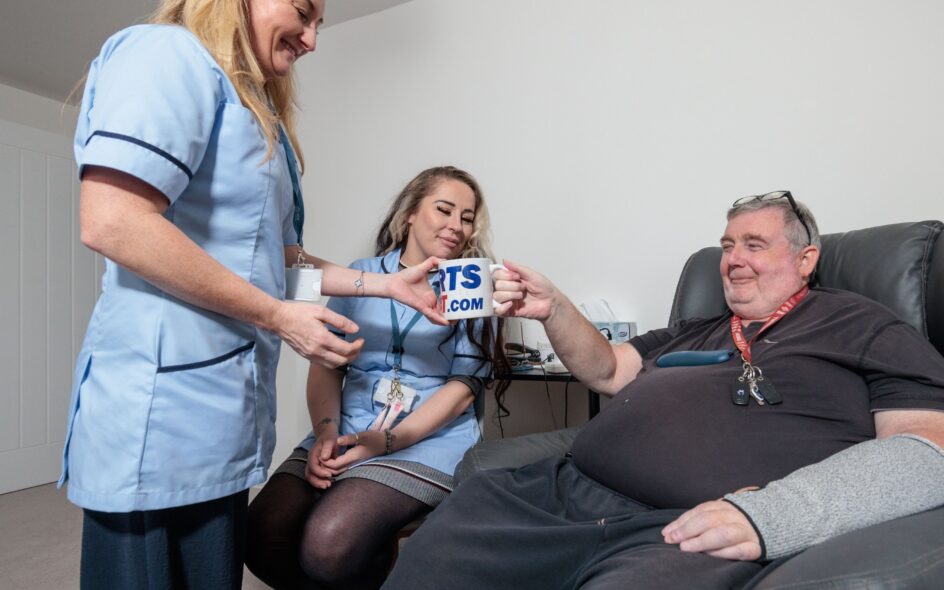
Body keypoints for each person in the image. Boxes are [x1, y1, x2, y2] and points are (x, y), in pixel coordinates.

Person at [60, 1, 446, 588]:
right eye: (303, 11)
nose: (314, 38)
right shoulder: (166, 54)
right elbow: (113, 220)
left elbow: (276, 263)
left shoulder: (253, 107)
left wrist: (388, 284)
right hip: (159, 412)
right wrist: (277, 317)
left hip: (222, 416)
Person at [383, 192, 944, 590]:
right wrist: (553, 307)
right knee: (437, 551)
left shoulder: (861, 325)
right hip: (556, 496)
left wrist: (775, 516)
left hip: (682, 530)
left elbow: (929, 448)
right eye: (727, 244)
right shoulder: (695, 328)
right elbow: (606, 371)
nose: (733, 259)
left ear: (806, 260)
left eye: (754, 244)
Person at [245, 166, 510, 589]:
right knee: (262, 533)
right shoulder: (362, 274)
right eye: (444, 210)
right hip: (346, 428)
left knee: (330, 543)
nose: (456, 226)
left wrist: (388, 441)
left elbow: (463, 391)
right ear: (409, 214)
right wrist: (327, 433)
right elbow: (327, 366)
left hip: (428, 441)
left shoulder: (472, 283)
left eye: (466, 217)